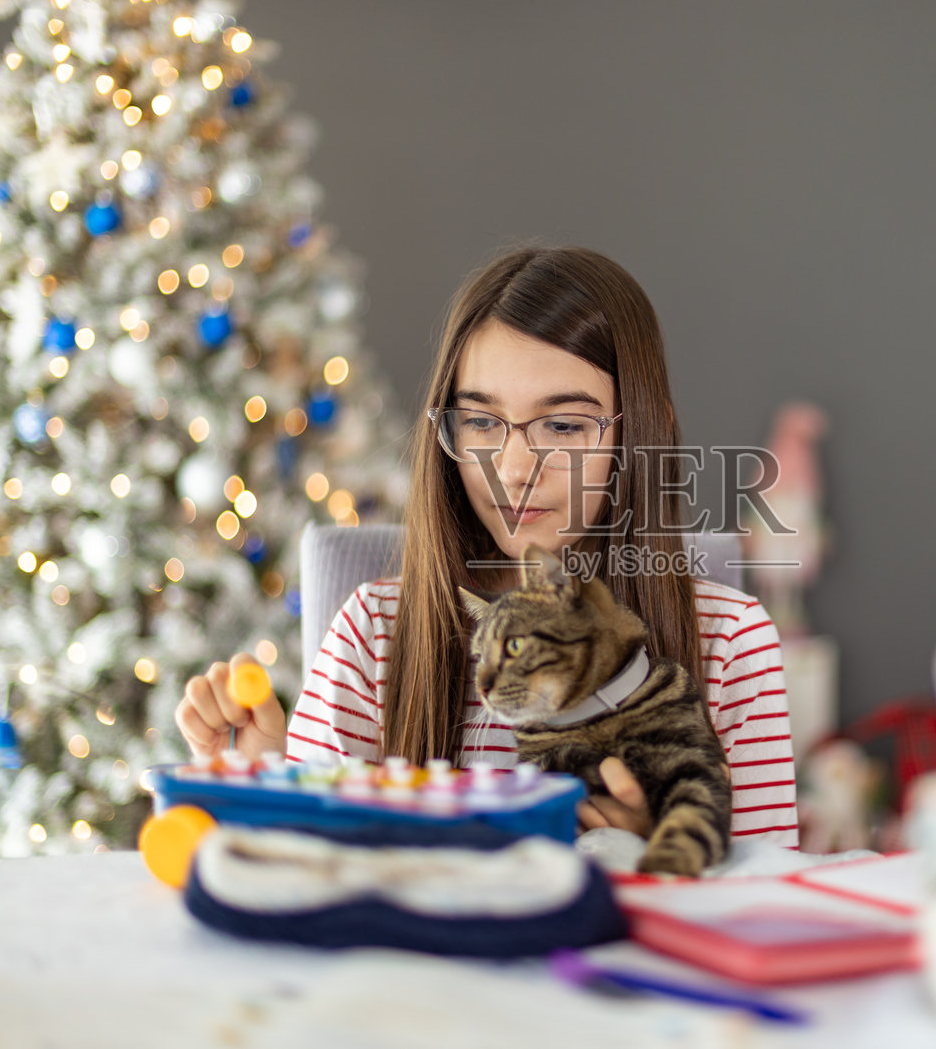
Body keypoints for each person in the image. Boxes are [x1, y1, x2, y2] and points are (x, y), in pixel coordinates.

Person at [173, 246, 798, 848]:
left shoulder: (728, 641)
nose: (514, 467)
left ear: (641, 432)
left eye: (563, 425)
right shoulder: (374, 631)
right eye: (480, 422)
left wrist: (661, 860)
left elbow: (767, 911)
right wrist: (263, 787)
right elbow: (309, 885)